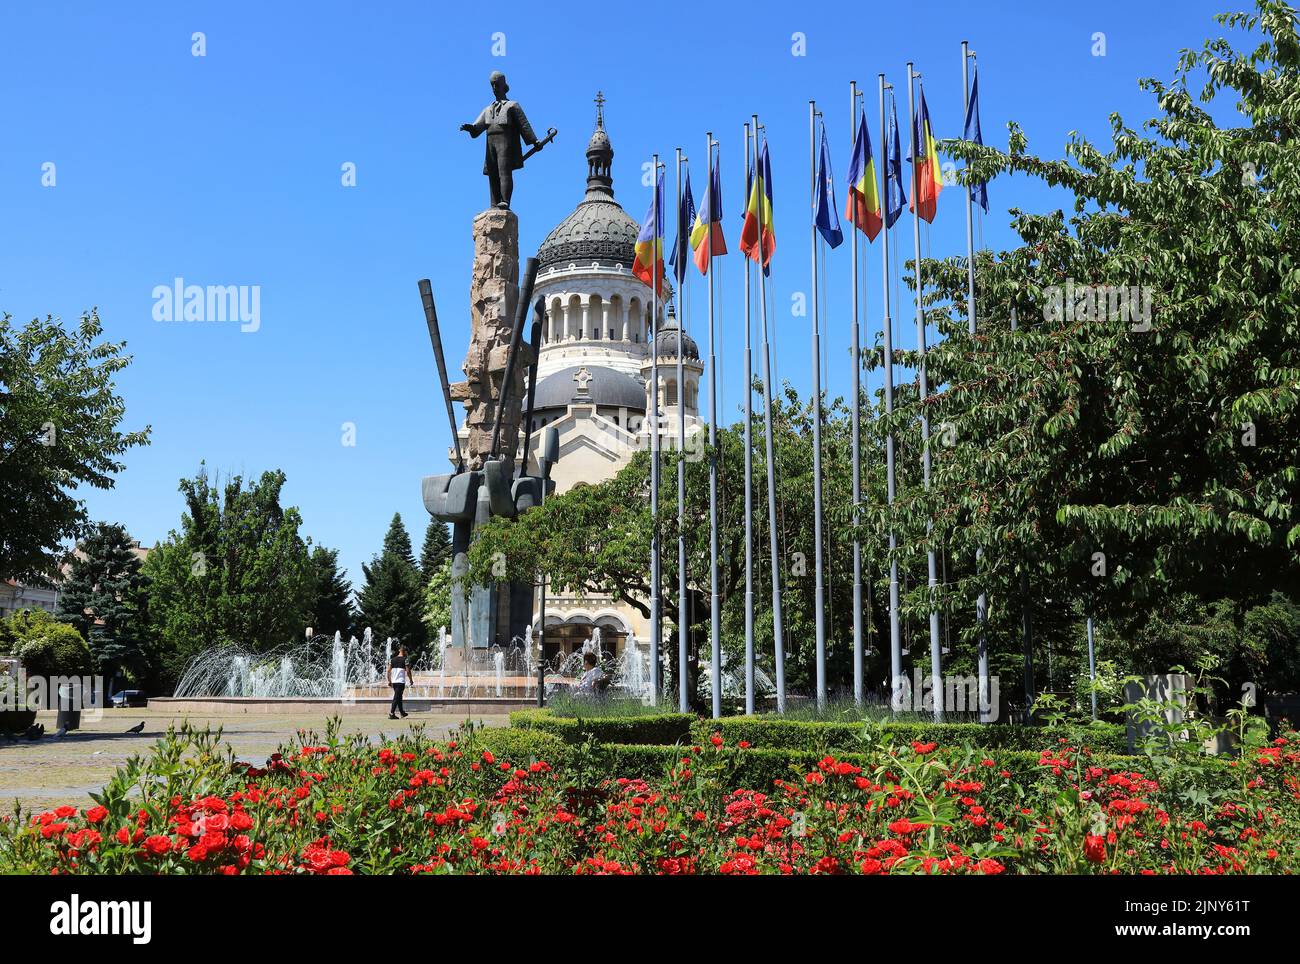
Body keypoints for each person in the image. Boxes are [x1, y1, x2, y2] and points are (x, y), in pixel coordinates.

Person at [388, 646, 410, 720]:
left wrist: (389, 681)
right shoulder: (405, 660)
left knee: (399, 697)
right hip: (400, 682)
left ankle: (402, 712)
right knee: (396, 697)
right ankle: (392, 713)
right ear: (404, 651)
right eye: (406, 652)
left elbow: (388, 671)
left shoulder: (392, 659)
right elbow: (408, 671)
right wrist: (411, 679)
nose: (407, 653)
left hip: (394, 681)